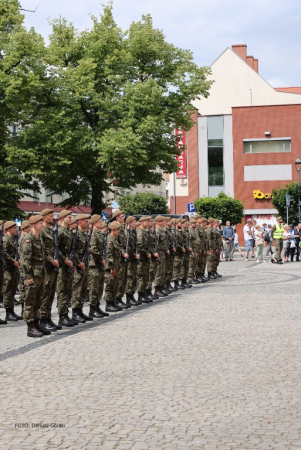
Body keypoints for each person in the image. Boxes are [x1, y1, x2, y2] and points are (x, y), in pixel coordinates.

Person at [22, 215, 46, 338]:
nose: (42, 224)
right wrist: (28, 276)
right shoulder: (28, 239)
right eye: (40, 223)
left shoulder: (39, 238)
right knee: (30, 302)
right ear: (34, 225)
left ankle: (37, 323)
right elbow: (25, 260)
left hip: (40, 274)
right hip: (32, 275)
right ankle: (30, 327)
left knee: (38, 301)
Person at [39, 209, 61, 333]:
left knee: (51, 293)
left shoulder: (52, 231)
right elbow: (42, 250)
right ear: (44, 217)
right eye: (50, 215)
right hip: (46, 267)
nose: (53, 217)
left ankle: (48, 318)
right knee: (45, 294)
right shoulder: (42, 231)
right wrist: (51, 260)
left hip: (53, 267)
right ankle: (43, 319)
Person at [71, 213, 93, 323]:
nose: (88, 223)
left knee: (83, 290)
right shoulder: (76, 235)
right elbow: (72, 251)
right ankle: (75, 312)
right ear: (80, 222)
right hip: (78, 266)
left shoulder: (85, 234)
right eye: (86, 221)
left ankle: (80, 310)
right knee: (77, 290)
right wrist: (78, 263)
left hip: (85, 265)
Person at [56, 210, 76, 327]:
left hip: (68, 264)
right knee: (62, 291)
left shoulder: (68, 231)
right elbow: (56, 249)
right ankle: (62, 316)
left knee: (68, 290)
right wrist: (64, 260)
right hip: (63, 265)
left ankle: (66, 314)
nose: (70, 219)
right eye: (68, 217)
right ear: (62, 218)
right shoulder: (59, 231)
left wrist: (72, 262)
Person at [88, 215, 109, 318]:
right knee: (94, 287)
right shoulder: (93, 234)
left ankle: (97, 306)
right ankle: (92, 309)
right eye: (100, 221)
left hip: (100, 263)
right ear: (95, 223)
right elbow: (92, 248)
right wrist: (101, 258)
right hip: (94, 264)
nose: (101, 222)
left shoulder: (100, 233)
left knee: (100, 287)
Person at [2, 221, 22, 322]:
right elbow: (4, 255)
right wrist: (13, 262)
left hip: (14, 268)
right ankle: (8, 312)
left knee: (13, 290)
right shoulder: (5, 240)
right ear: (8, 229)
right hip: (8, 269)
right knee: (8, 291)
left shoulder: (14, 239)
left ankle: (12, 311)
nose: (16, 229)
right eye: (14, 228)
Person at [104, 221, 122, 312]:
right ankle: (108, 304)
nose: (119, 231)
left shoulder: (115, 239)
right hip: (111, 266)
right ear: (113, 230)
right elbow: (108, 255)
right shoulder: (109, 240)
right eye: (117, 230)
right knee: (110, 285)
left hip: (116, 265)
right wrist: (111, 267)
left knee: (115, 285)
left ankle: (113, 302)